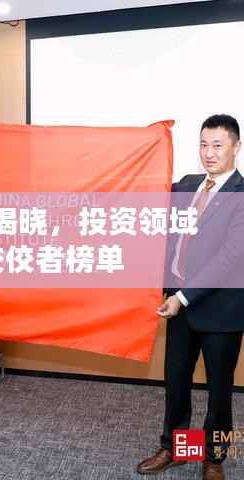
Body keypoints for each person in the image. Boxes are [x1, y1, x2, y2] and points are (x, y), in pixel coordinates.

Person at [136, 114, 244, 480]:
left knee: (218, 391)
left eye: (218, 145)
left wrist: (182, 296)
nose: (209, 153)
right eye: (203, 144)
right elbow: (145, 191)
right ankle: (179, 449)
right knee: (177, 382)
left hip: (221, 311)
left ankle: (213, 458)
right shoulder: (187, 184)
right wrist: (138, 150)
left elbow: (230, 258)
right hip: (178, 306)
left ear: (236, 147)